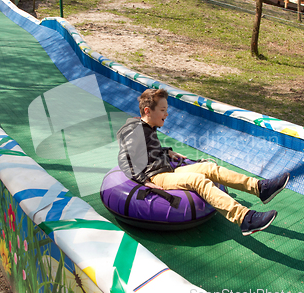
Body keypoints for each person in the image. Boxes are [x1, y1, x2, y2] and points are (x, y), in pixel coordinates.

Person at [117, 88, 290, 235]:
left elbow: (147, 150)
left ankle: (260, 188)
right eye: (162, 109)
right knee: (198, 180)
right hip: (156, 176)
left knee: (210, 168)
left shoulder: (148, 128)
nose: (166, 113)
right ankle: (245, 218)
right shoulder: (136, 129)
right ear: (148, 111)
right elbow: (125, 158)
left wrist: (167, 151)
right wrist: (144, 181)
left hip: (167, 169)